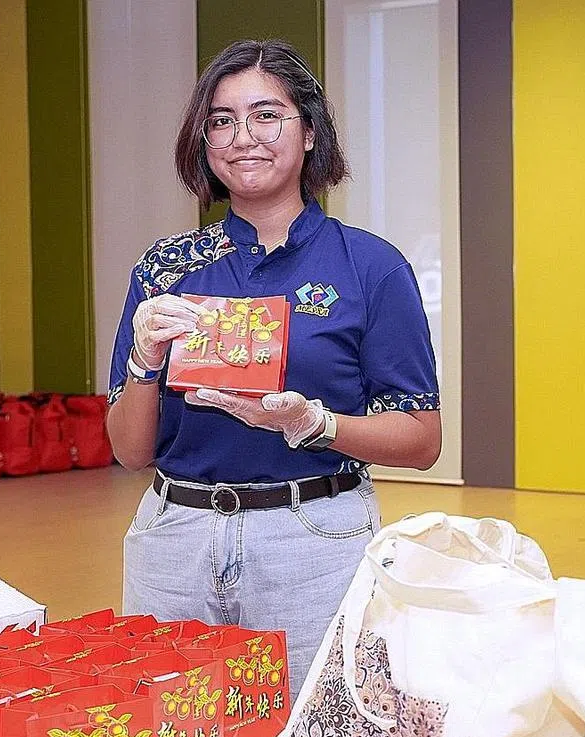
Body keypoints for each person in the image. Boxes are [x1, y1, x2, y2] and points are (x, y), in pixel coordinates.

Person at [105, 39, 442, 699]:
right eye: (222, 120)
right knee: (173, 728)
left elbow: (421, 439)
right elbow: (129, 451)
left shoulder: (370, 267)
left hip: (312, 539)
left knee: (312, 727)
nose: (243, 137)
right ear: (204, 140)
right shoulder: (164, 269)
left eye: (267, 115)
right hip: (174, 538)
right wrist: (143, 362)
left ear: (310, 132)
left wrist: (315, 424)